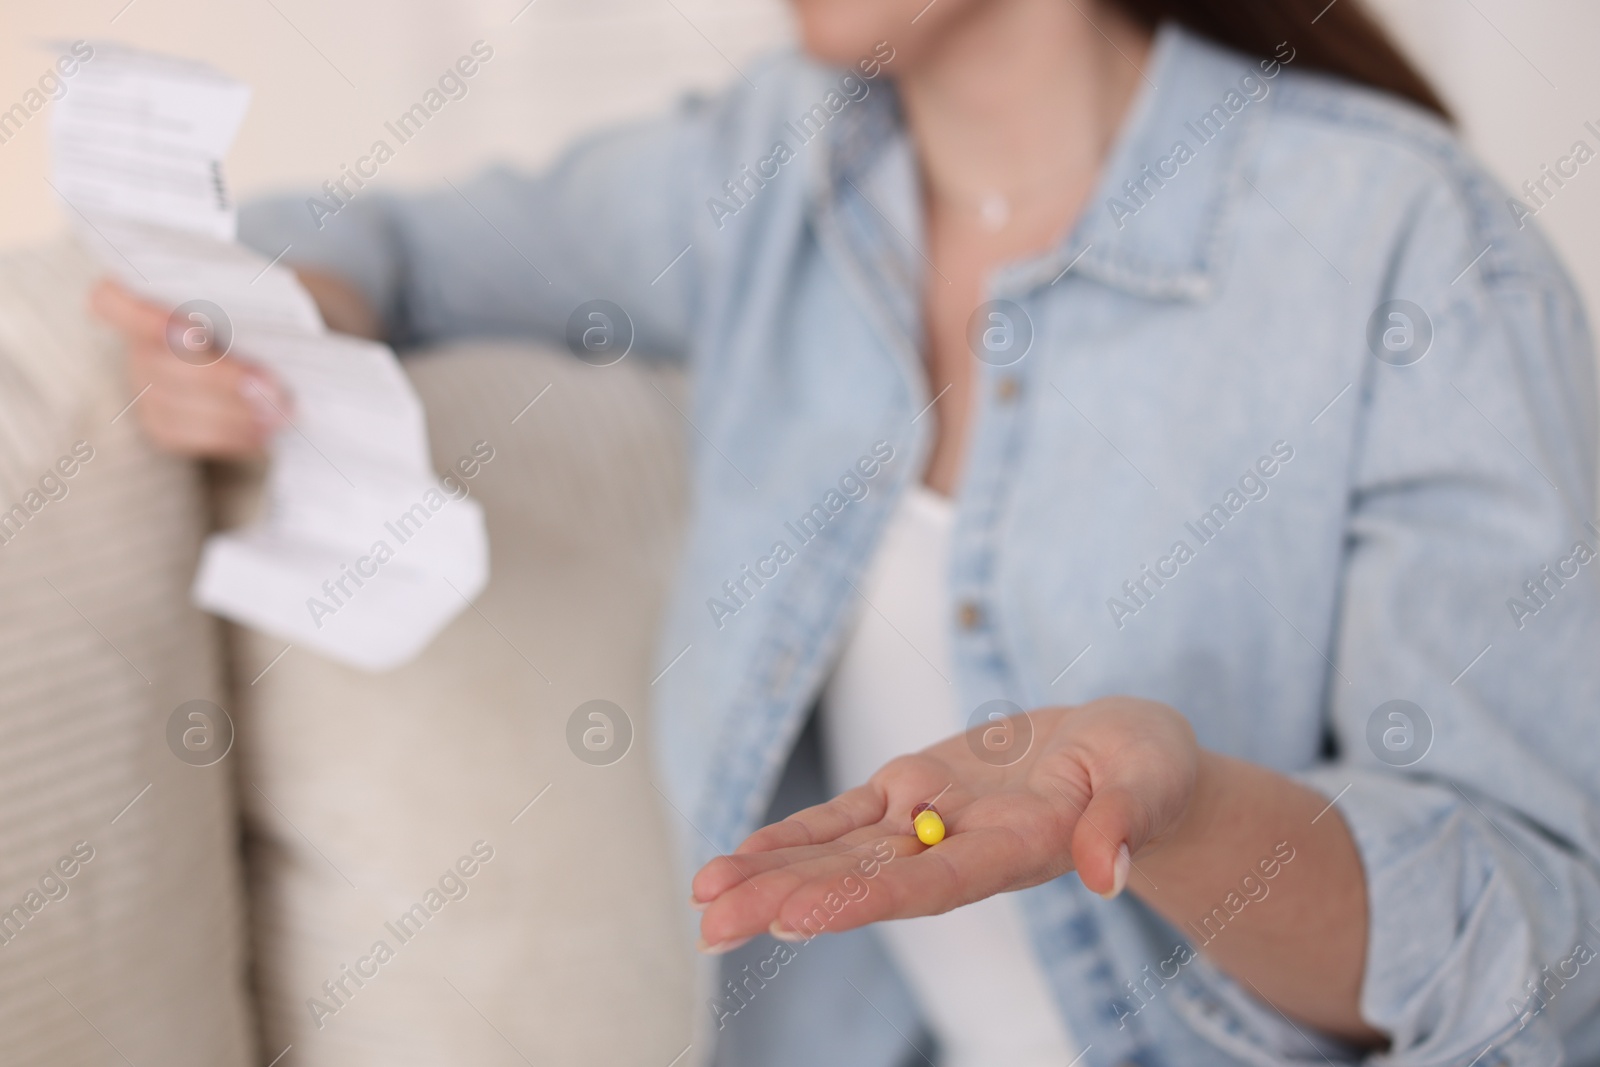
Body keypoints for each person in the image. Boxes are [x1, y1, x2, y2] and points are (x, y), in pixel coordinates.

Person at [93, 0, 1600, 1063]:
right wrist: (272, 325)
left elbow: (1541, 964)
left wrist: (1179, 811)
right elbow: (397, 240)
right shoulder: (768, 177)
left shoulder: (1412, 245)